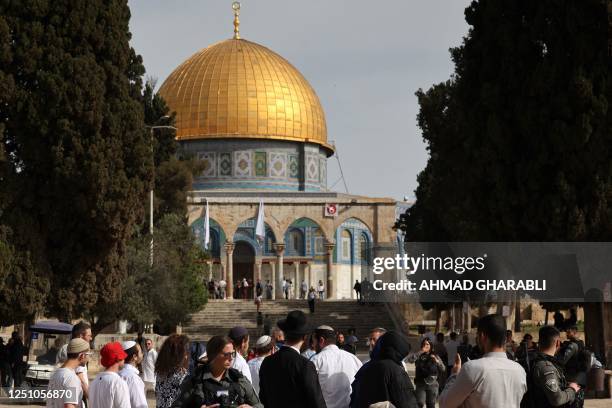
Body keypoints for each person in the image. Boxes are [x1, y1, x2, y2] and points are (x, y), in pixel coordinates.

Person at [439, 314, 527, 408]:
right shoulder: (520, 370)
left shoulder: (472, 368)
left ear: (482, 336)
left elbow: (445, 404)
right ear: (505, 338)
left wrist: (454, 375)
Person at [258, 310, 327, 408]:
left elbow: (263, 398)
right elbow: (316, 403)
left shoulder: (267, 362)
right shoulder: (305, 365)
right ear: (305, 337)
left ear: (285, 334)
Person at [172, 336, 262, 408]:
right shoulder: (196, 379)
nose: (231, 358)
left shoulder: (238, 379)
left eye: (233, 354)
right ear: (213, 355)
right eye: (226, 354)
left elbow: (259, 405)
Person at [350, 331, 417, 408]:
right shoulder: (394, 369)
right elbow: (408, 403)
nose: (371, 343)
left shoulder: (366, 367)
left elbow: (355, 398)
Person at [521, 326, 579, 408]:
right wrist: (572, 390)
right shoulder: (546, 367)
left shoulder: (535, 361)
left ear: (539, 342)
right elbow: (557, 399)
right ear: (558, 343)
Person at [311, 325, 363, 408]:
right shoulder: (353, 358)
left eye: (313, 341)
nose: (313, 345)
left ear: (321, 340)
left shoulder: (316, 360)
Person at [46, 338, 90, 408]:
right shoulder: (71, 378)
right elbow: (70, 406)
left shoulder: (55, 374)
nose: (88, 358)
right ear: (82, 355)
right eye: (88, 354)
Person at [56, 321, 93, 400]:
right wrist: (92, 400)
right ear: (81, 336)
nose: (91, 338)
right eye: (89, 335)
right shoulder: (78, 351)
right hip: (76, 396)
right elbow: (81, 380)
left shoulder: (65, 347)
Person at [556, 325, 589, 408]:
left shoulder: (572, 345)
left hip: (572, 376)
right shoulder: (581, 343)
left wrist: (558, 351)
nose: (566, 334)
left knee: (573, 401)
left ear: (574, 332)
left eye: (569, 332)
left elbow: (562, 360)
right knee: (579, 400)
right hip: (581, 376)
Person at [89, 342, 130, 408]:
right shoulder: (119, 383)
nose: (124, 360)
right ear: (118, 359)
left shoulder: (94, 382)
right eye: (123, 357)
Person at [155, 334, 190, 408]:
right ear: (177, 355)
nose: (186, 356)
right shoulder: (183, 376)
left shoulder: (160, 372)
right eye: (184, 352)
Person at [409, 338, 445, 408]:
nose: (425, 345)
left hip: (432, 384)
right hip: (420, 383)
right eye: (424, 344)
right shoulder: (418, 355)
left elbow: (443, 369)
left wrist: (437, 361)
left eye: (427, 344)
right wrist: (421, 351)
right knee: (420, 403)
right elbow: (410, 360)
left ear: (431, 346)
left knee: (431, 405)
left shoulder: (435, 356)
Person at [118, 341, 147, 408]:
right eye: (140, 352)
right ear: (135, 357)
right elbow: (140, 405)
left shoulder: (117, 373)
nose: (142, 354)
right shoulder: (133, 378)